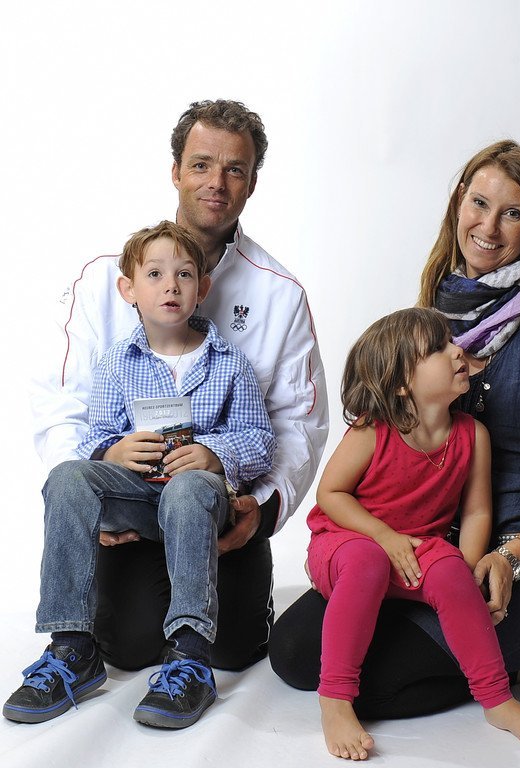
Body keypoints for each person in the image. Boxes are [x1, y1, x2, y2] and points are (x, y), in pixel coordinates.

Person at [270, 140, 520, 720]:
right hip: (434, 551)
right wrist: (369, 540)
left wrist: (513, 556)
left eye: (512, 213)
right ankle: (499, 654)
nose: (489, 226)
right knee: (296, 653)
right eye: (479, 203)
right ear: (459, 201)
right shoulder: (437, 314)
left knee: (369, 685)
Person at [30, 100, 328, 672]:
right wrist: (95, 491)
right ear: (175, 171)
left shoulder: (280, 294)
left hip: (221, 508)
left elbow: (298, 423)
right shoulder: (104, 280)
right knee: (128, 649)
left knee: (232, 651)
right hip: (132, 504)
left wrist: (262, 510)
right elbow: (63, 401)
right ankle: (72, 648)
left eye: (235, 169)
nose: (217, 182)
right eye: (201, 164)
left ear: (252, 183)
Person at [4, 221, 276, 728]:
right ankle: (72, 648)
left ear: (203, 287)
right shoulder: (116, 364)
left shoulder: (229, 364)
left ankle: (190, 658)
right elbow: (95, 436)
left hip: (201, 501)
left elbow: (259, 440)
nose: (170, 285)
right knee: (68, 477)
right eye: (155, 274)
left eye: (184, 274)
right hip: (139, 499)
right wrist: (112, 451)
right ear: (128, 289)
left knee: (190, 487)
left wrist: (214, 454)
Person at [308, 307, 520, 758]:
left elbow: (477, 511)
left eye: (451, 341)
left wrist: (466, 571)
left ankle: (496, 698)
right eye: (438, 348)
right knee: (367, 561)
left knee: (450, 570)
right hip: (347, 544)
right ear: (402, 384)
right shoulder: (372, 430)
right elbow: (331, 494)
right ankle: (336, 699)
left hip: (415, 550)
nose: (457, 350)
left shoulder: (472, 434)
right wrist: (383, 536)